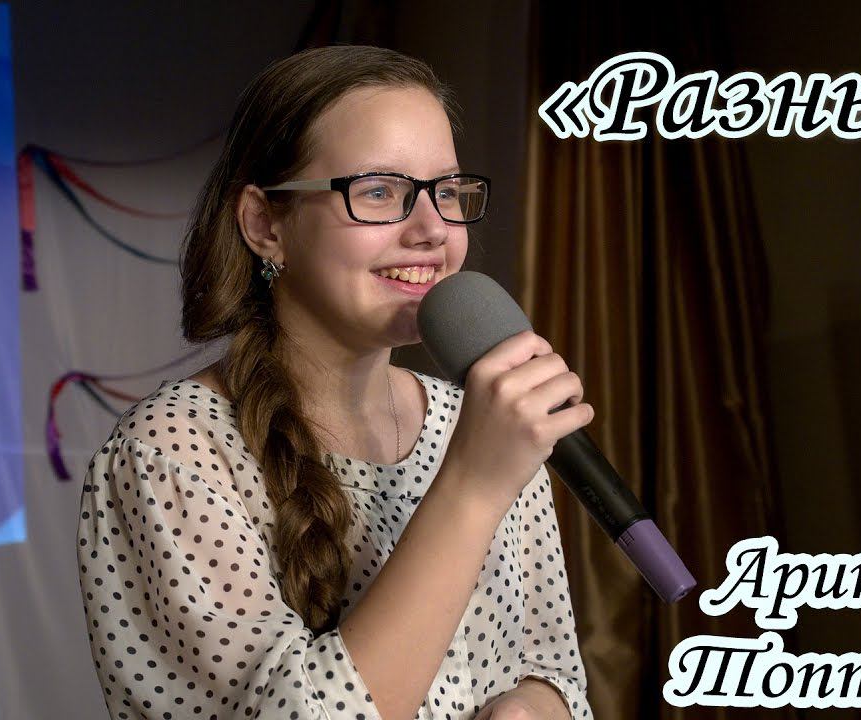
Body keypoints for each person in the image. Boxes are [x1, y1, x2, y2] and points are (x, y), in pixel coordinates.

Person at [77, 45, 596, 720]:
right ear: (265, 224)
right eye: (379, 192)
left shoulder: (478, 421)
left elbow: (553, 667)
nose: (431, 229)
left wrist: (536, 705)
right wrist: (471, 487)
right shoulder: (172, 454)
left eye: (446, 192)